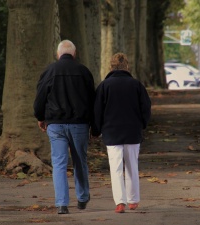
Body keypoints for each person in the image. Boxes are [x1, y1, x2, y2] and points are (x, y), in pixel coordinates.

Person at [33, 40, 94, 214]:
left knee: (59, 163)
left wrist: (40, 117)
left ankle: (62, 204)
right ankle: (82, 198)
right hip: (79, 124)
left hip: (56, 124)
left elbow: (40, 98)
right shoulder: (83, 71)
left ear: (58, 54)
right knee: (79, 161)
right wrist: (93, 125)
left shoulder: (49, 71)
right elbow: (92, 100)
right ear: (74, 54)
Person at [93, 53, 151, 213]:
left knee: (116, 168)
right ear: (127, 66)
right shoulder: (136, 85)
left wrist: (96, 130)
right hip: (132, 131)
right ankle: (133, 200)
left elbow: (97, 111)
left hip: (111, 133)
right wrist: (142, 125)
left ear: (111, 67)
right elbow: (145, 108)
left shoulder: (104, 86)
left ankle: (120, 202)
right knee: (132, 166)